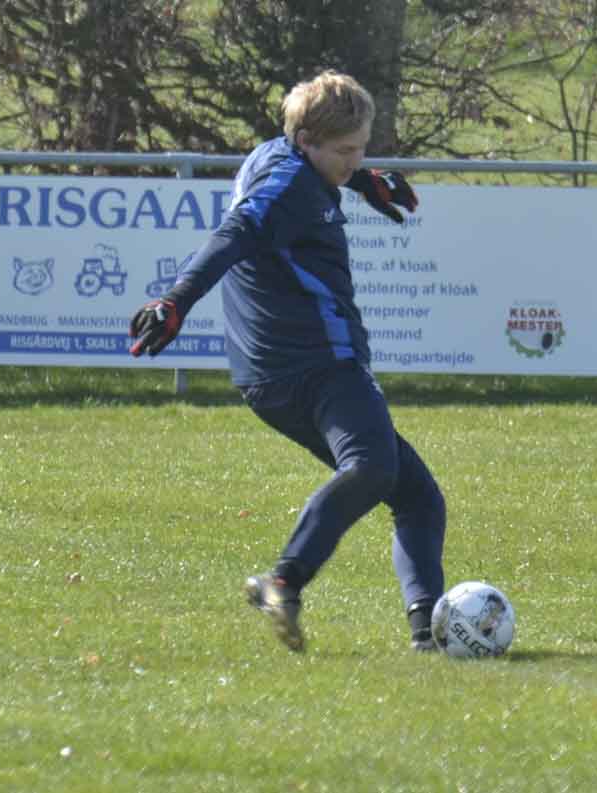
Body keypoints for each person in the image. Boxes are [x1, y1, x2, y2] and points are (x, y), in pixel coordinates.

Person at [129, 70, 445, 653]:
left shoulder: (277, 156)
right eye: (346, 152)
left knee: (417, 497)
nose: (355, 159)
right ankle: (284, 581)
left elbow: (295, 185)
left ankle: (429, 632)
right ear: (307, 141)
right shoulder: (287, 187)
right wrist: (175, 301)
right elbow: (235, 233)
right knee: (374, 468)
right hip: (319, 365)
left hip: (270, 377)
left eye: (362, 149)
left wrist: (361, 181)